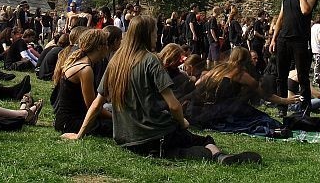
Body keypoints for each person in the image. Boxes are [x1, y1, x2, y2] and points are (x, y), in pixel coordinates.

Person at [62, 15, 262, 164]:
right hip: (153, 134)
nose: (157, 35)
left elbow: (97, 104)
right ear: (147, 34)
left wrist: (79, 134)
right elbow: (174, 105)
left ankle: (179, 152)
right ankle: (218, 156)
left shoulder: (115, 62)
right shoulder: (150, 61)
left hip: (126, 138)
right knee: (202, 139)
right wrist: (182, 122)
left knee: (175, 141)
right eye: (155, 32)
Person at [186, 46, 299, 135]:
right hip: (229, 110)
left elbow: (198, 83)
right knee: (266, 121)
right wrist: (285, 100)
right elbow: (265, 95)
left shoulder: (218, 69)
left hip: (209, 109)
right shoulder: (240, 74)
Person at [269, 0, 317, 115]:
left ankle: (304, 108)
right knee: (281, 76)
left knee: (302, 76)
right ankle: (282, 107)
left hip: (300, 40)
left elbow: (305, 10)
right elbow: (280, 19)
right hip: (284, 39)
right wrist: (273, 39)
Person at [53, 29, 112, 137]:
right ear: (99, 47)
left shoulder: (80, 62)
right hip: (71, 123)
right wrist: (115, 117)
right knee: (114, 126)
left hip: (64, 119)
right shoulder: (85, 69)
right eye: (106, 44)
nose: (108, 48)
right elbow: (92, 107)